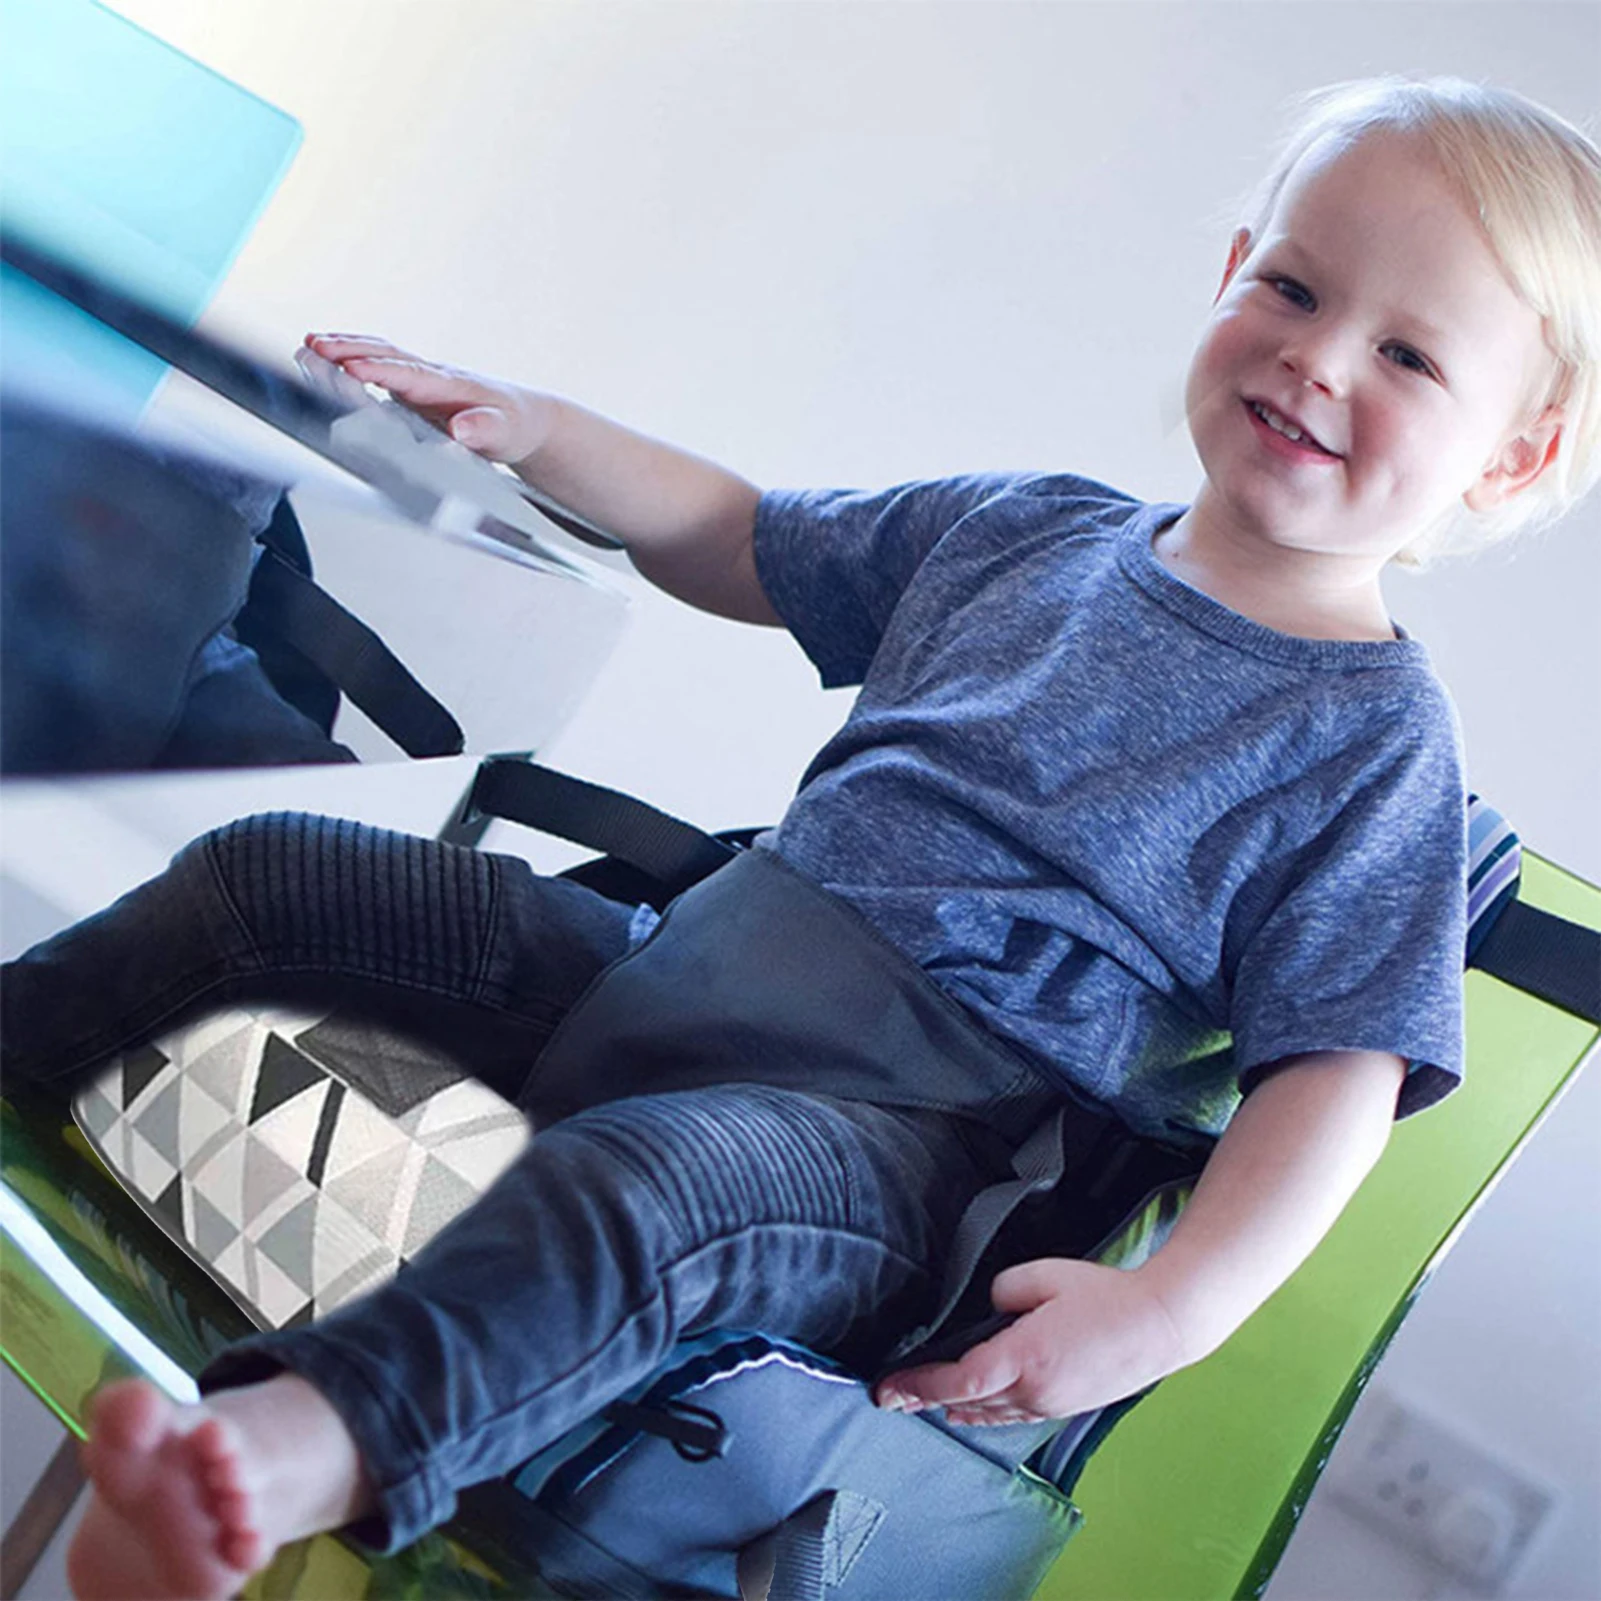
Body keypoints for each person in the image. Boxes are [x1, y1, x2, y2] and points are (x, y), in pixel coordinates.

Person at [3, 75, 1597, 1601]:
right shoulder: (1029, 529)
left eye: (1409, 355)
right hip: (686, 960)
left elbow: (1337, 1080)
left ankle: (272, 1458)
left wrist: (1170, 1311)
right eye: (1297, 289)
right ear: (1233, 267)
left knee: (640, 1189)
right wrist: (537, 427)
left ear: (1513, 454)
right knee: (273, 874)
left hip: (898, 1149)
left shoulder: (1378, 748)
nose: (1318, 359)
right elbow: (742, 538)